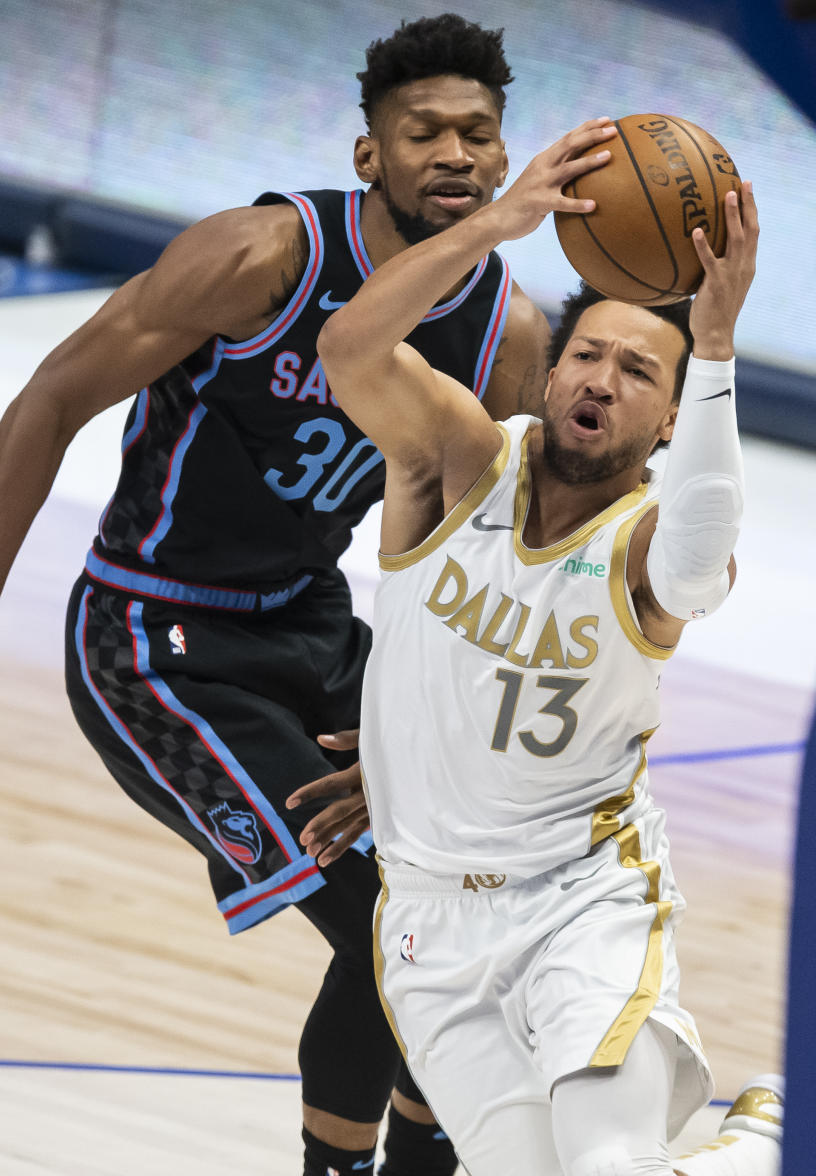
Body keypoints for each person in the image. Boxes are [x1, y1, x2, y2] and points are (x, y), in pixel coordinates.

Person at [0, 14, 551, 1176]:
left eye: (477, 135)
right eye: (421, 131)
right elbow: (50, 399)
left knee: (486, 897)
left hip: (316, 620)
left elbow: (467, 556)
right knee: (397, 921)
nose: (453, 153)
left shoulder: (505, 332)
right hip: (154, 640)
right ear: (367, 156)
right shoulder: (260, 256)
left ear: (503, 154)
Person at [299, 116, 781, 1175]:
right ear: (552, 373)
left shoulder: (657, 540)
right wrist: (499, 226)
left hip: (581, 900)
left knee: (604, 1165)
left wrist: (713, 346)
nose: (601, 379)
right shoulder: (457, 460)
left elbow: (702, 554)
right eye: (586, 356)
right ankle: (756, 1150)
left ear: (667, 423)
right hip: (426, 922)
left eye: (637, 373)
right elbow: (346, 348)